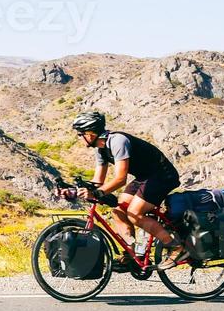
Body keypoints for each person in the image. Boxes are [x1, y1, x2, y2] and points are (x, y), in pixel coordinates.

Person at [67, 111, 187, 265]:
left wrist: (97, 193)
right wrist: (75, 189)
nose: (79, 137)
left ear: (90, 133)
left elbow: (120, 179)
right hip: (144, 177)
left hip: (162, 175)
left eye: (80, 134)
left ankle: (176, 247)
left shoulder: (118, 141)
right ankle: (133, 254)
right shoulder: (100, 149)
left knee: (134, 213)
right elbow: (97, 181)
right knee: (118, 211)